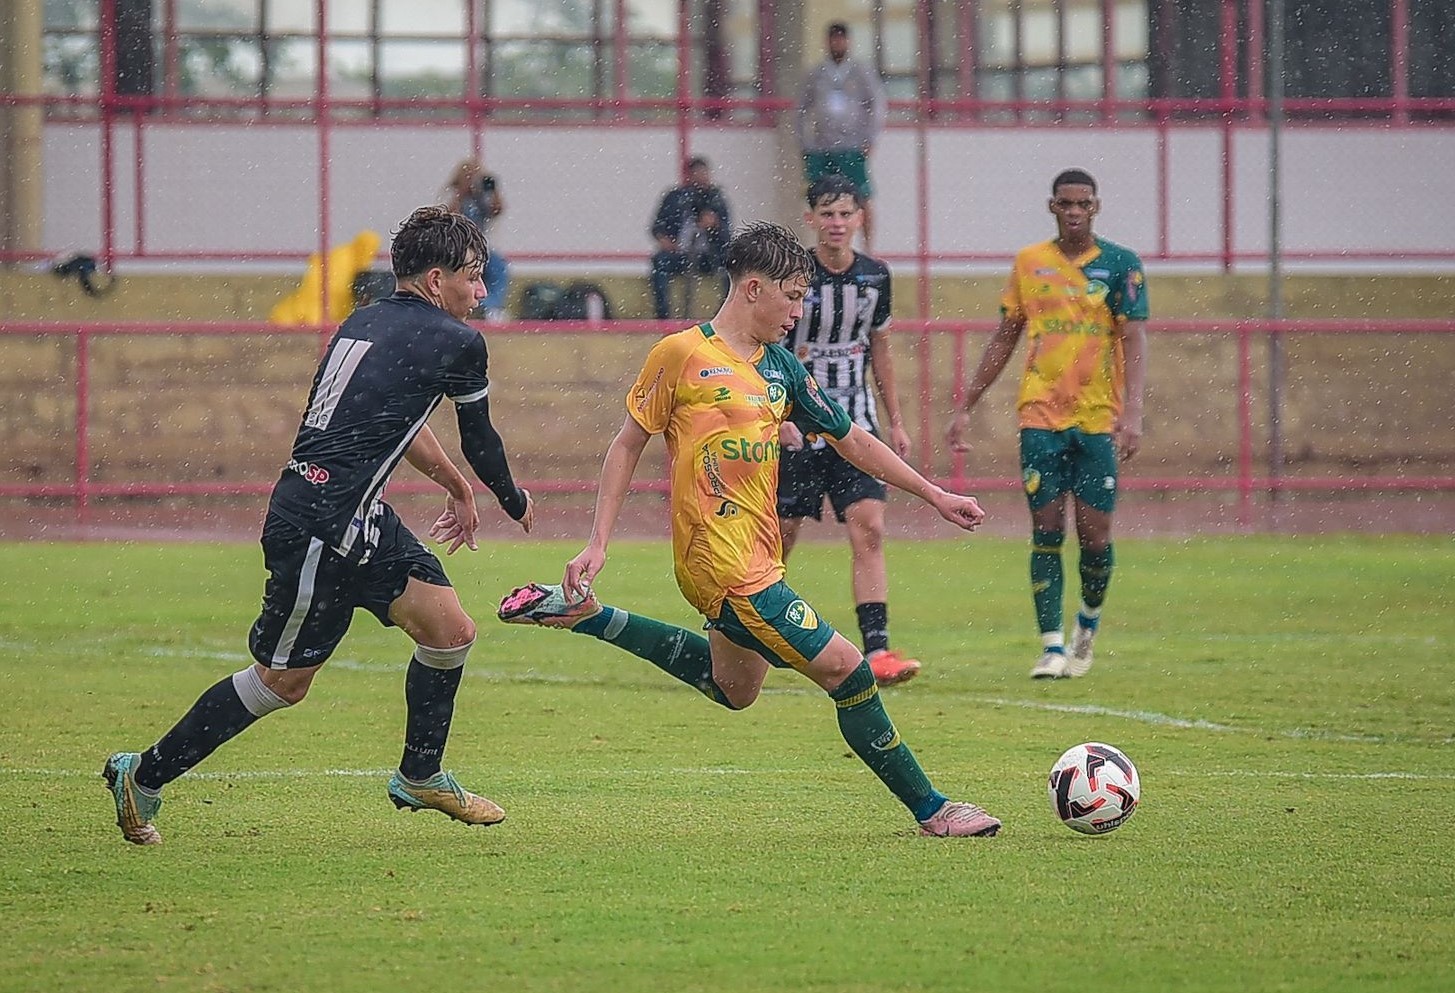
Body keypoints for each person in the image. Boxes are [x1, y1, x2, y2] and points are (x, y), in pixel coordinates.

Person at [499, 222, 1001, 838]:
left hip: (759, 558)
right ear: (754, 289)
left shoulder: (782, 369)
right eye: (793, 297)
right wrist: (598, 540)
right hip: (722, 563)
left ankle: (591, 617)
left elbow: (851, 439)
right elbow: (628, 444)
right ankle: (934, 809)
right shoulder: (682, 354)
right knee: (851, 670)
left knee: (734, 688)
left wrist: (933, 493)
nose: (800, 311)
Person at [103, 206, 536, 845]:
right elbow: (481, 437)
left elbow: (399, 421)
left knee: (450, 630)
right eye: (474, 278)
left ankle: (421, 774)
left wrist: (454, 486)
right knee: (282, 683)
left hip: (355, 519)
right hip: (318, 526)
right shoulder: (457, 341)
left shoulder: (365, 323)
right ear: (438, 278)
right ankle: (143, 774)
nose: (481, 291)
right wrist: (510, 495)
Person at [947, 169, 1148, 680]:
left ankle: (1087, 625)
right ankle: (1051, 646)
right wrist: (967, 402)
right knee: (1046, 528)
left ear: (1096, 206)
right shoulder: (1030, 264)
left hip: (1097, 417)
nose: (1074, 211)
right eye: (1065, 203)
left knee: (1096, 537)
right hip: (1039, 417)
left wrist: (1134, 412)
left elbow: (1135, 342)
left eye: (1083, 203)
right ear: (1052, 206)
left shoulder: (1121, 265)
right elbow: (1005, 336)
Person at [778, 174, 917, 687]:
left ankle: (877, 649)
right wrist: (777, 418)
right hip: (796, 429)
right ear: (811, 218)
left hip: (856, 427)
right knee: (779, 537)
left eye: (846, 213)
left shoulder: (876, 277)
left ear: (861, 218)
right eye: (827, 213)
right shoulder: (793, 275)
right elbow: (770, 343)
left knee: (870, 529)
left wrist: (895, 422)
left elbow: (880, 347)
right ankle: (750, 629)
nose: (837, 223)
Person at [796, 22, 887, 252]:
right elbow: (801, 108)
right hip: (822, 146)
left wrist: (870, 138)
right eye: (833, 39)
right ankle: (823, 248)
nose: (837, 43)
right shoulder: (817, 73)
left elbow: (876, 104)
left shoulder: (860, 72)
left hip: (851, 145)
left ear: (848, 42)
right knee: (820, 199)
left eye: (841, 39)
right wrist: (804, 143)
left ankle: (869, 249)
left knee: (862, 197)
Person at [648, 156, 732, 320]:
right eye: (697, 173)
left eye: (704, 173)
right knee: (659, 263)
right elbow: (657, 227)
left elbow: (727, 235)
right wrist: (665, 240)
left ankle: (725, 317)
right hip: (679, 254)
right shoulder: (675, 198)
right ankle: (664, 317)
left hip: (708, 256)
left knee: (731, 267)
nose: (701, 177)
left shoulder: (716, 200)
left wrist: (714, 226)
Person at [445, 157, 510, 321]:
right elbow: (449, 216)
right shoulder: (454, 197)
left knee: (498, 267)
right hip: (457, 249)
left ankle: (490, 306)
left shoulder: (481, 198)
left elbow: (497, 209)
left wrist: (491, 189)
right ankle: (467, 305)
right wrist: (461, 192)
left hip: (480, 249)